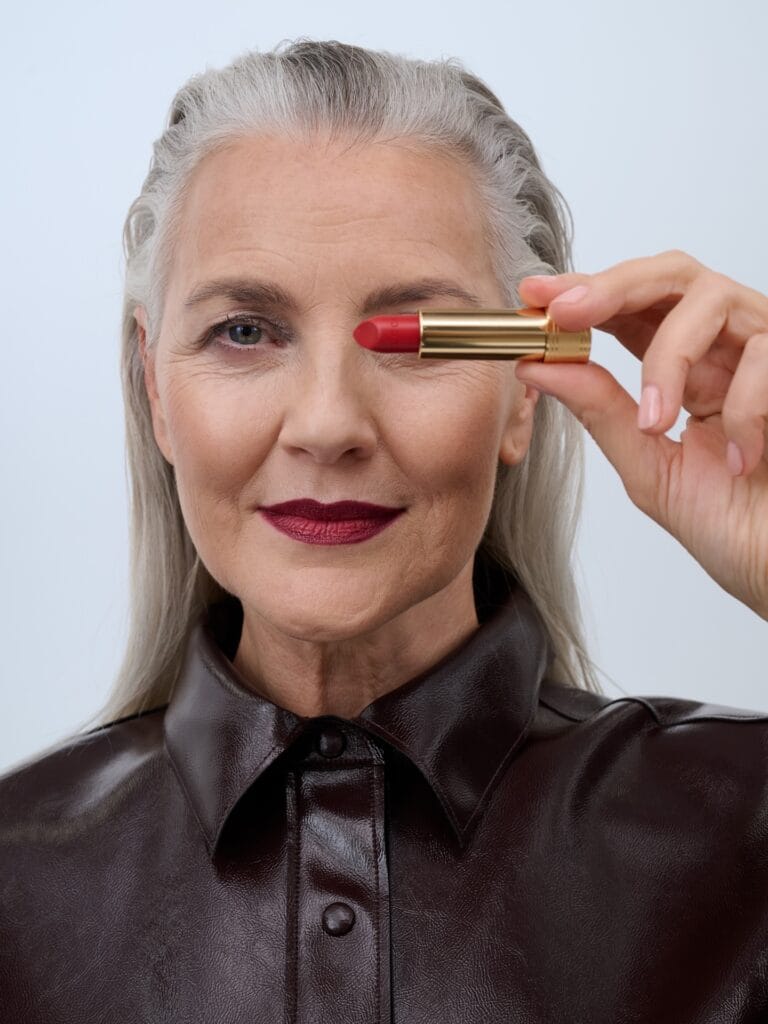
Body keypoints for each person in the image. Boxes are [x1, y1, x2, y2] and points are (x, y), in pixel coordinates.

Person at [2, 37, 767, 1023]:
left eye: (422, 339)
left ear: (522, 396)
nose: (328, 424)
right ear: (157, 382)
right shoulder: (18, 885)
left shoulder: (741, 828)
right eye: (245, 331)